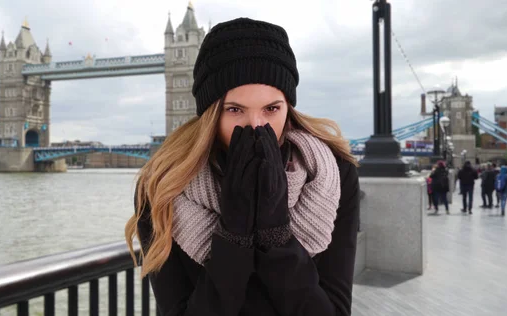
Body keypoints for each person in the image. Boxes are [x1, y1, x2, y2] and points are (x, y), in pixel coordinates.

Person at [125, 18, 360, 316]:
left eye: (271, 109)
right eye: (235, 110)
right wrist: (233, 236)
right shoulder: (162, 186)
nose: (256, 126)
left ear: (288, 107)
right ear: (210, 113)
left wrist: (275, 235)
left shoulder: (333, 175)